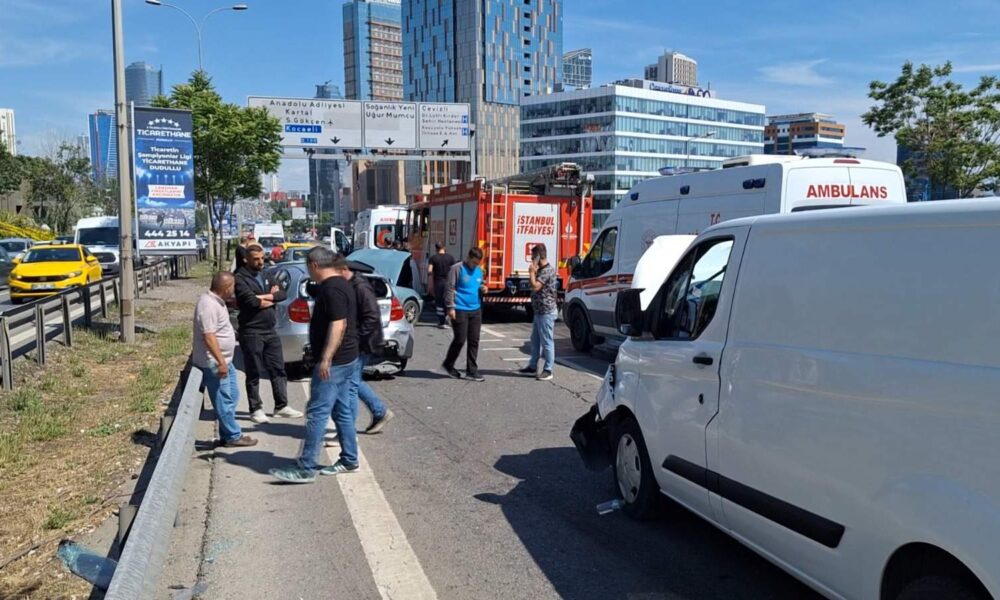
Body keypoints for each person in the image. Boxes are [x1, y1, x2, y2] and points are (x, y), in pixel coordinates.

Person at [271, 248, 361, 483]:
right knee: (341, 411)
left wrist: (326, 358)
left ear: (314, 265)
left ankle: (306, 467)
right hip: (347, 358)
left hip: (335, 363)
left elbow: (339, 324)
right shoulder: (340, 284)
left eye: (308, 267)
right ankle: (350, 459)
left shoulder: (332, 289)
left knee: (317, 413)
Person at [234, 244, 303, 423]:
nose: (260, 262)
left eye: (262, 258)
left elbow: (282, 294)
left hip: (270, 330)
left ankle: (281, 406)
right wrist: (267, 298)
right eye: (256, 259)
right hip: (252, 331)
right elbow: (250, 302)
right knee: (254, 371)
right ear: (246, 259)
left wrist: (265, 297)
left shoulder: (266, 274)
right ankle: (255, 408)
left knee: (278, 368)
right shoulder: (239, 278)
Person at [193, 272, 257, 447]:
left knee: (232, 395)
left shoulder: (217, 302)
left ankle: (227, 433)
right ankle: (233, 436)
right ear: (227, 287)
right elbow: (209, 336)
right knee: (223, 398)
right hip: (213, 362)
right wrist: (220, 362)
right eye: (233, 286)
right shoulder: (208, 305)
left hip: (224, 360)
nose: (234, 290)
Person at [346, 263, 395, 434]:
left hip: (363, 343)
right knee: (353, 381)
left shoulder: (360, 287)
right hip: (361, 342)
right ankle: (379, 411)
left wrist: (356, 339)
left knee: (350, 384)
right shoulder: (354, 285)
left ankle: (348, 431)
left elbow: (371, 317)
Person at [443, 247, 487, 382]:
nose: (474, 266)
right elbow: (450, 287)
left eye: (477, 263)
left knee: (474, 340)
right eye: (473, 262)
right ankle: (448, 364)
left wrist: (484, 288)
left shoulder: (479, 271)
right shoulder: (457, 268)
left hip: (476, 309)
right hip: (460, 308)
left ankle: (471, 371)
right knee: (460, 339)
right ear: (468, 257)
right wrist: (450, 307)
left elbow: (480, 284)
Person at [520, 244, 558, 381]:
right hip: (539, 312)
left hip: (546, 312)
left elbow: (536, 286)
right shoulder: (541, 270)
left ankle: (548, 369)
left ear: (537, 257)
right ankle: (532, 366)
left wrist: (531, 272)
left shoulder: (547, 271)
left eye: (532, 257)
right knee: (535, 340)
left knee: (547, 341)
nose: (531, 260)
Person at [427, 243, 456, 328]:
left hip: (438, 283)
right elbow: (454, 269)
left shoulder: (433, 258)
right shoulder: (450, 258)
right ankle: (448, 320)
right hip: (449, 282)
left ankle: (441, 322)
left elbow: (429, 271)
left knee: (439, 302)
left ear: (436, 249)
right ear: (444, 247)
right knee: (448, 300)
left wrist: (430, 284)